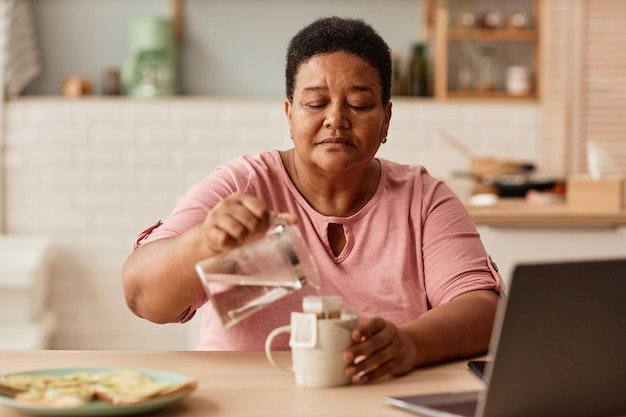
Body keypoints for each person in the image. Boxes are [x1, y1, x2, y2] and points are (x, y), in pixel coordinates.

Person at [122, 16, 504, 384]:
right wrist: (202, 243)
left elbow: (483, 309)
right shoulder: (242, 184)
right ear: (289, 115)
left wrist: (410, 344)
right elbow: (142, 297)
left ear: (386, 119)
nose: (336, 119)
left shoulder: (422, 199)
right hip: (242, 402)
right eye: (316, 103)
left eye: (358, 104)